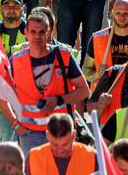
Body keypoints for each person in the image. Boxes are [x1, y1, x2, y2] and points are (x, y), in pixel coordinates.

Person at [8, 8, 90, 155]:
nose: (37, 36)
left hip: (61, 131)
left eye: (42, 32)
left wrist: (59, 100)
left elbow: (84, 90)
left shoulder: (64, 55)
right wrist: (15, 125)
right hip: (29, 134)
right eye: (33, 32)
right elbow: (3, 96)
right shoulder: (15, 60)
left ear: (49, 32)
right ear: (25, 33)